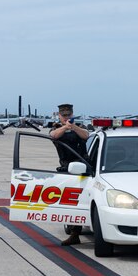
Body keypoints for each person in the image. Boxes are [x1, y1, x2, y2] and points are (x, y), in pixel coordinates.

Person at [49, 104, 89, 246]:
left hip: (83, 167)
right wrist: (65, 127)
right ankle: (73, 231)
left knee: (79, 200)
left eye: (69, 115)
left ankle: (76, 233)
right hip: (66, 168)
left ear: (72, 114)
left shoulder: (79, 128)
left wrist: (74, 127)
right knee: (69, 202)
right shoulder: (56, 128)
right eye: (64, 115)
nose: (67, 117)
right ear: (59, 116)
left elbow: (86, 135)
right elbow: (53, 136)